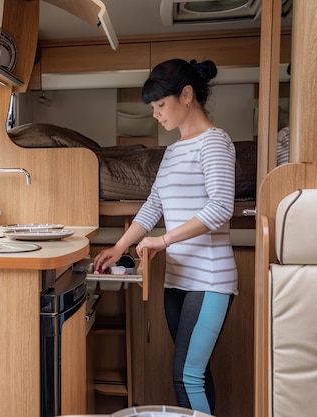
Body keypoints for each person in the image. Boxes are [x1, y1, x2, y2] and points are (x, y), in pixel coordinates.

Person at [93, 58, 237, 415]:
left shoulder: (215, 143)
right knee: (196, 374)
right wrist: (120, 246)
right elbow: (153, 205)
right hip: (178, 281)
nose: (156, 114)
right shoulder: (172, 151)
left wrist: (164, 241)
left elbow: (221, 208)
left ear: (186, 95)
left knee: (187, 376)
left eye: (160, 104)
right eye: (153, 107)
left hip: (210, 279)